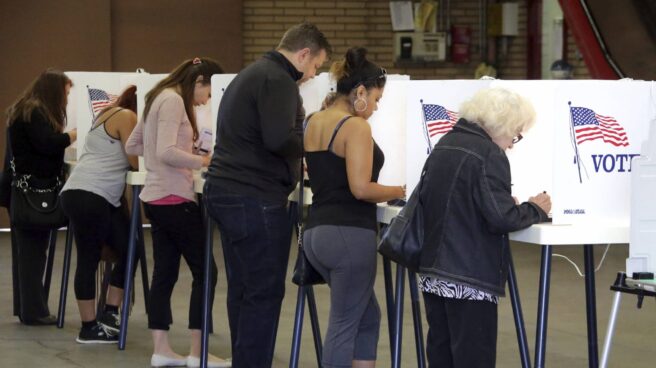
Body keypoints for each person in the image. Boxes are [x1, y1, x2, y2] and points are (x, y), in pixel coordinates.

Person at [203, 22, 331, 367]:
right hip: (253, 198)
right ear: (303, 54)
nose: (312, 74)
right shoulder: (278, 81)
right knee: (264, 292)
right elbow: (279, 139)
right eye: (316, 66)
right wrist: (315, 141)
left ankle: (245, 359)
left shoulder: (252, 73)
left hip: (227, 192)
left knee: (244, 289)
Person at [417, 87, 552, 368]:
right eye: (515, 133)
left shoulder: (446, 143)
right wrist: (535, 209)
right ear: (499, 123)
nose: (512, 144)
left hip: (434, 271)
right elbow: (501, 218)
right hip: (469, 277)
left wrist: (501, 202)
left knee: (442, 356)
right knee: (473, 358)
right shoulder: (489, 153)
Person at [303, 47, 405, 368]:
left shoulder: (313, 121)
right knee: (343, 324)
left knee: (366, 315)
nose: (375, 108)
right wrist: (401, 190)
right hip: (348, 234)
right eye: (375, 99)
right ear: (360, 92)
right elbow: (360, 189)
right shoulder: (355, 127)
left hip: (316, 234)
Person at [125, 58, 230, 368]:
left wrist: (180, 154)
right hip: (174, 197)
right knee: (205, 272)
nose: (206, 100)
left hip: (156, 198)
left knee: (165, 272)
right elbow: (164, 152)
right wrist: (201, 161)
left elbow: (135, 144)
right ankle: (198, 353)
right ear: (199, 81)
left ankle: (162, 350)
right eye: (208, 93)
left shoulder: (158, 96)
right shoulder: (173, 101)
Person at [59, 85, 139, 343]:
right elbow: (136, 160)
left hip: (91, 193)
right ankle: (88, 327)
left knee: (131, 250)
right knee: (89, 258)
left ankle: (110, 313)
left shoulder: (105, 113)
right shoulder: (127, 117)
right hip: (90, 194)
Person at [6, 69, 77, 325]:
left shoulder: (24, 109)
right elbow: (47, 144)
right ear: (55, 91)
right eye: (66, 93)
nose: (67, 100)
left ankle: (28, 309)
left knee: (28, 254)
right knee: (34, 254)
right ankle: (34, 312)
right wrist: (72, 135)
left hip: (22, 191)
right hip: (35, 191)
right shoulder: (35, 113)